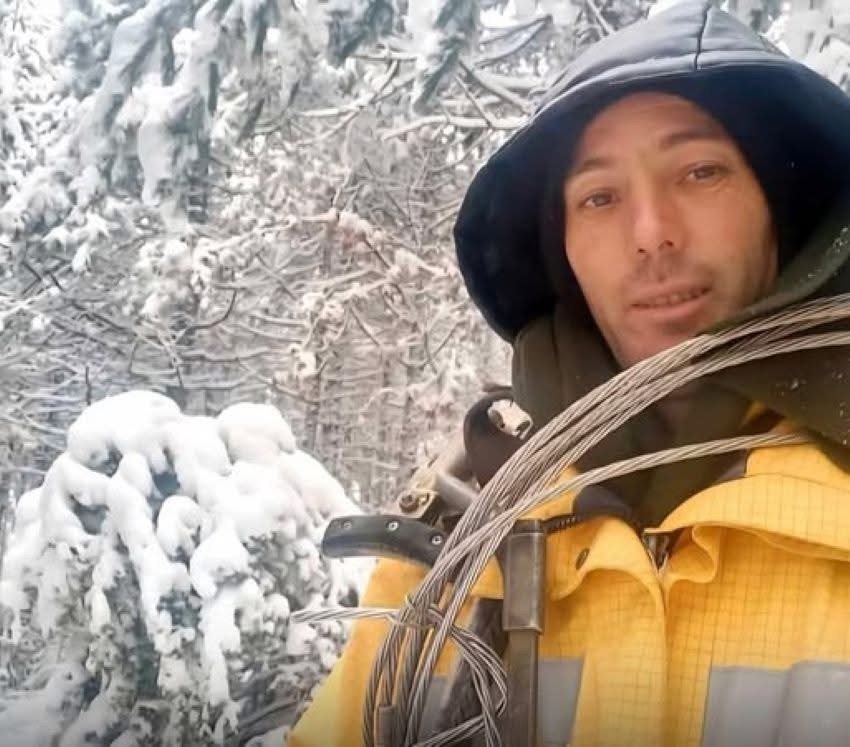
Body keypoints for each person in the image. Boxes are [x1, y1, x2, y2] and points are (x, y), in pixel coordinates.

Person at [289, 1, 850, 744]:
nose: (651, 234)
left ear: (785, 207)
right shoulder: (463, 525)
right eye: (600, 197)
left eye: (701, 171)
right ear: (563, 250)